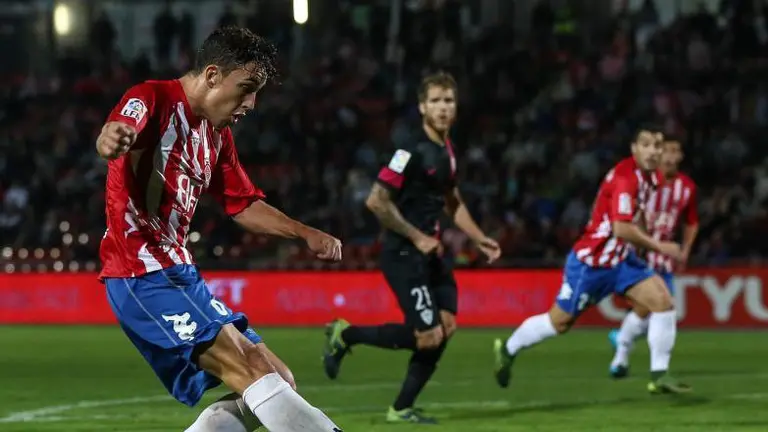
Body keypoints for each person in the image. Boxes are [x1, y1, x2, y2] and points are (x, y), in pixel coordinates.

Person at [96, 26, 344, 432]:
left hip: (180, 274)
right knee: (249, 368)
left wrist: (303, 232)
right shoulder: (151, 98)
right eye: (246, 88)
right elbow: (122, 127)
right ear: (212, 76)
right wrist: (112, 139)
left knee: (277, 379)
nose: (251, 103)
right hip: (140, 273)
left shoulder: (217, 134)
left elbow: (242, 203)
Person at [321, 72, 501, 424]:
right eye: (435, 101)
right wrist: (417, 236)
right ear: (422, 107)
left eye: (448, 101)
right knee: (429, 335)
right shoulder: (409, 151)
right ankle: (346, 334)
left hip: (431, 256)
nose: (443, 108)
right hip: (404, 254)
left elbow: (452, 200)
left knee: (446, 326)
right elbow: (376, 201)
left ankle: (401, 408)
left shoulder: (447, 151)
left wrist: (478, 236)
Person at [493, 129, 692, 394]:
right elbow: (621, 228)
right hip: (592, 264)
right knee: (558, 323)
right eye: (646, 145)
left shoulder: (649, 177)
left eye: (658, 145)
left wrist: (641, 246)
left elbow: (637, 212)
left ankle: (659, 375)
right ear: (634, 149)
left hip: (621, 261)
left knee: (663, 302)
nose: (654, 151)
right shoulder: (625, 178)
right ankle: (508, 349)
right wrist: (659, 246)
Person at [608, 138, 698, 384]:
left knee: (653, 309)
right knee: (652, 307)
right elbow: (629, 213)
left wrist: (686, 250)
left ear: (680, 156)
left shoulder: (687, 187)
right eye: (665, 150)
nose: (669, 156)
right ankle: (624, 355)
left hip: (665, 257)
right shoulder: (643, 181)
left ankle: (623, 345)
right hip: (639, 252)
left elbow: (691, 221)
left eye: (675, 150)